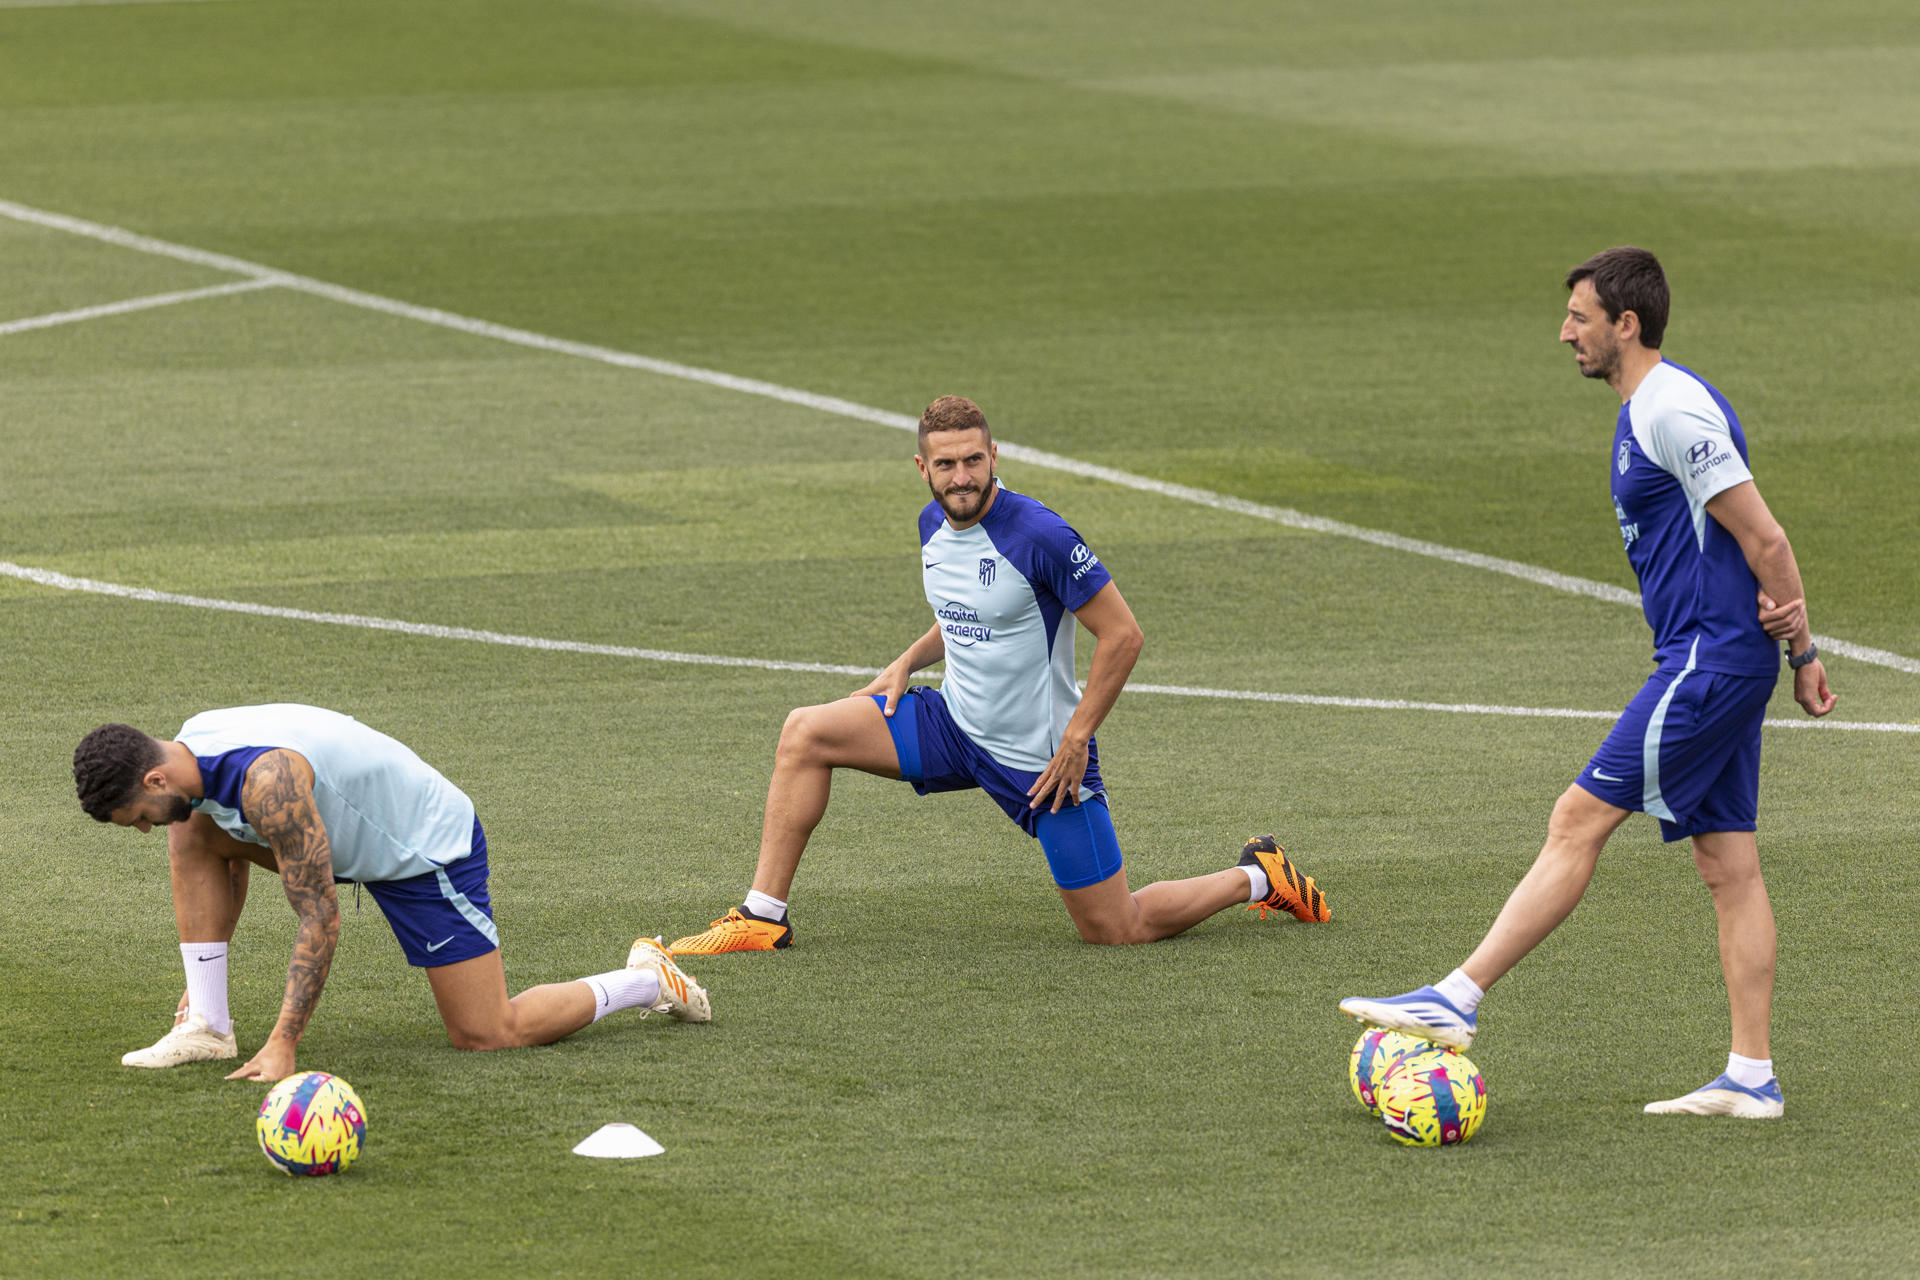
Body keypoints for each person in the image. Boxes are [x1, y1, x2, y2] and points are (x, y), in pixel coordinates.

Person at [1340, 247, 1835, 1118]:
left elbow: (1767, 538)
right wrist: (1791, 654)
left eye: (1579, 316)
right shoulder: (1651, 404)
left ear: (1626, 324)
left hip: (1706, 660)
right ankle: (1751, 1077)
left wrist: (1804, 654)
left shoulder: (1671, 410)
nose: (1565, 331)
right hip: (1714, 654)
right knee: (1730, 867)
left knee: (1578, 818)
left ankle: (1456, 996)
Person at [668, 395, 1331, 956]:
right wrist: (906, 661)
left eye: (973, 461)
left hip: (1042, 762)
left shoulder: (1038, 534)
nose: (961, 477)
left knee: (1114, 929)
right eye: (947, 464)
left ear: (994, 459)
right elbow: (970, 613)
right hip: (955, 725)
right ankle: (762, 917)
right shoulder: (934, 523)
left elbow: (1123, 634)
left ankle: (1256, 874)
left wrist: (1077, 738)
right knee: (805, 733)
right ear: (923, 468)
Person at [74, 704, 711, 1081]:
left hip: (421, 851)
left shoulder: (269, 783)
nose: (140, 828)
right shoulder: (193, 749)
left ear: (154, 775)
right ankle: (210, 1025)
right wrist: (204, 973)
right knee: (191, 834)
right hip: (335, 835)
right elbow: (223, 859)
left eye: (136, 815)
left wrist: (285, 1042)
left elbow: (319, 918)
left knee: (487, 1031)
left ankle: (648, 979)